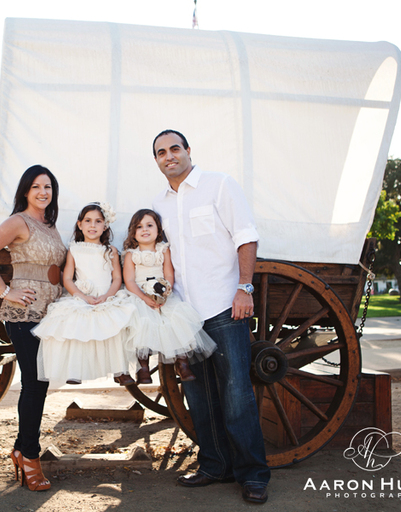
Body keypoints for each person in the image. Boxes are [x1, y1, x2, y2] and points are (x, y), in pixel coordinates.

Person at [151, 130, 271, 504]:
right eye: (160, 153)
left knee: (236, 394)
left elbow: (245, 236)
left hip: (223, 304)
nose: (168, 156)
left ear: (188, 151)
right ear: (156, 161)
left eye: (174, 148)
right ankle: (214, 465)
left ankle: (253, 474)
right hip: (184, 314)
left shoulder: (219, 186)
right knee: (198, 394)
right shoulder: (160, 205)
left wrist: (244, 287)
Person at [0, 164, 66, 492]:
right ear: (25, 191)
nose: (43, 192)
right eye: (37, 186)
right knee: (35, 384)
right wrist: (4, 290)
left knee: (40, 382)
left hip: (49, 311)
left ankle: (19, 448)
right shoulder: (18, 222)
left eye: (48, 187)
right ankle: (30, 458)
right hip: (24, 314)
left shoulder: (49, 224)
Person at [32, 202, 137, 385]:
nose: (93, 226)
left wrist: (107, 296)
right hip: (82, 296)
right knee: (74, 320)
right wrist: (83, 296)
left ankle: (120, 369)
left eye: (98, 221)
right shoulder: (74, 249)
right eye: (88, 221)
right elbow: (68, 280)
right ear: (80, 224)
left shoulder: (110, 251)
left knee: (116, 319)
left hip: (106, 295)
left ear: (105, 226)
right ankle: (75, 370)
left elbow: (117, 279)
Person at [122, 209, 216, 384]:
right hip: (140, 296)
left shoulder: (163, 250)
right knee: (142, 322)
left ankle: (182, 362)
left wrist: (164, 293)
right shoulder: (131, 254)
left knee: (176, 320)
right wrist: (144, 298)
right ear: (133, 233)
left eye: (150, 225)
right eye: (139, 227)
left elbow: (169, 276)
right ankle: (143, 367)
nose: (145, 230)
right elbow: (129, 281)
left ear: (158, 230)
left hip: (163, 294)